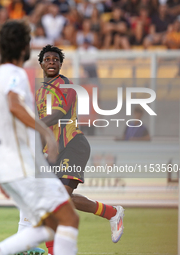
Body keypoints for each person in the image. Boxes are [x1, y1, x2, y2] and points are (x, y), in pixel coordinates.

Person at [0, 20, 79, 255]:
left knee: (50, 225)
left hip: (8, 168)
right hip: (25, 164)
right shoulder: (16, 74)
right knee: (68, 220)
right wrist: (46, 134)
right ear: (25, 48)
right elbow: (14, 103)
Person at [33, 44, 124, 254]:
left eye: (56, 59)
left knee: (59, 199)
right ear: (41, 64)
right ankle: (112, 213)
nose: (52, 62)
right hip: (54, 151)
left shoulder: (65, 85)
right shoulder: (39, 93)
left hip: (73, 144)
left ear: (61, 64)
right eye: (47, 59)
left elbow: (57, 115)